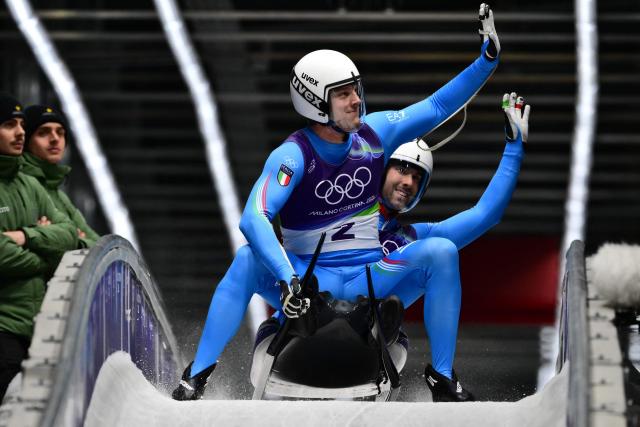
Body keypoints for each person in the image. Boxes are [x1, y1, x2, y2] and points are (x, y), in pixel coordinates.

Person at [172, 3, 501, 401]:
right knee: (244, 261)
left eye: (355, 91)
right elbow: (253, 217)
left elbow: (435, 107)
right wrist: (286, 278)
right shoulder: (291, 156)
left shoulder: (376, 133)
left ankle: (442, 377)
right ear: (314, 103)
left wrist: (485, 62)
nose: (355, 102)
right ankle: (199, 374)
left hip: (370, 272)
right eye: (343, 95)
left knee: (442, 251)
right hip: (308, 279)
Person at [375, 91, 529, 401]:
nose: (408, 182)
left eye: (418, 178)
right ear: (379, 171)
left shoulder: (416, 237)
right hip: (317, 312)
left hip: (373, 332)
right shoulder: (339, 205)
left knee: (442, 251)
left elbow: (485, 215)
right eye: (402, 170)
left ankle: (442, 379)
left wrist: (514, 148)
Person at [0, 94, 78, 401]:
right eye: (9, 125)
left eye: (21, 124)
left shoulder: (29, 185)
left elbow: (71, 236)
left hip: (33, 329)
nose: (19, 132)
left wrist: (26, 236)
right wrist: (48, 257)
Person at [21, 105, 100, 248]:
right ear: (26, 141)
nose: (55, 139)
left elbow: (98, 248)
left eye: (60, 132)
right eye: (43, 133)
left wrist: (73, 241)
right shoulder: (20, 187)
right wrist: (72, 238)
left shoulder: (59, 195)